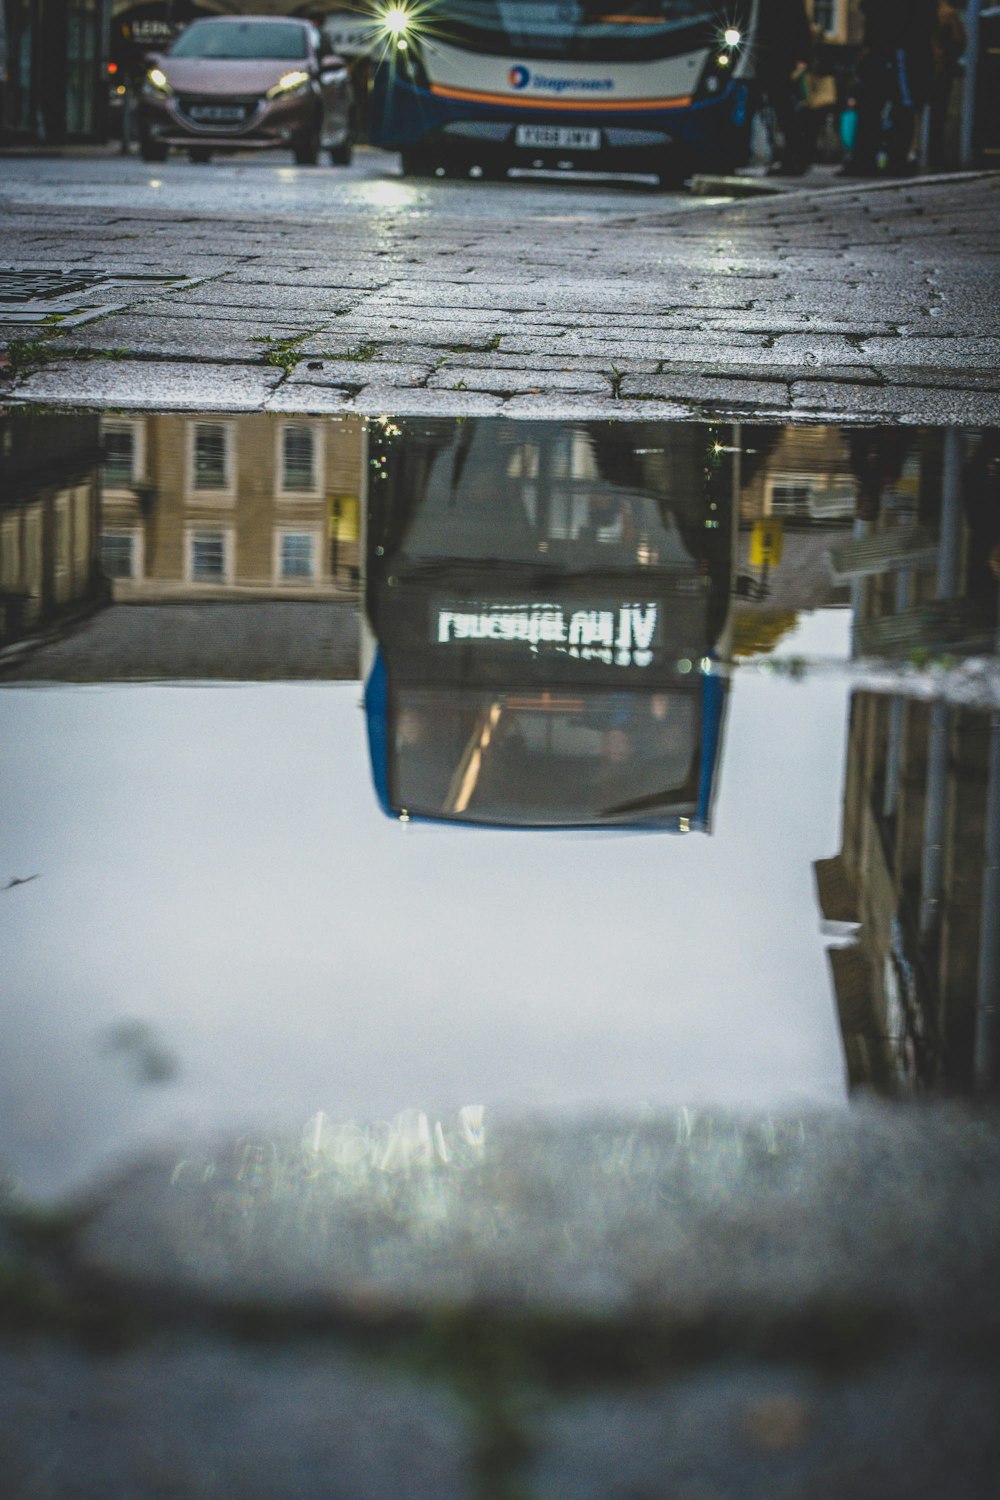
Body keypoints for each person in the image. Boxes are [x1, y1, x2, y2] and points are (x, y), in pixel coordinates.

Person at [843, 0, 935, 177]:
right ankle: (882, 159)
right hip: (894, 45)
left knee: (894, 105)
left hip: (898, 46)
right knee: (882, 105)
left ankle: (884, 159)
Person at [754, 0, 814, 175]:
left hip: (778, 56)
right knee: (783, 110)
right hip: (777, 55)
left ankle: (793, 157)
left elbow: (798, 23)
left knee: (784, 110)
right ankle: (793, 156)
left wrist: (802, 56)